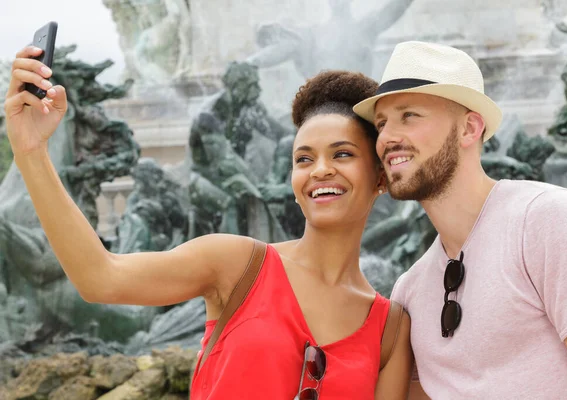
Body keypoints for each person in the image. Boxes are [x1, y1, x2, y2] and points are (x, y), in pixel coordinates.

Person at [4, 46, 413, 399]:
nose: (320, 170)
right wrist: (31, 151)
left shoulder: (390, 329)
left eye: (342, 154)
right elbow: (100, 277)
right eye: (303, 158)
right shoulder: (235, 264)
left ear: (379, 176)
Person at [353, 40, 567, 399]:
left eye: (409, 115)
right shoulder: (410, 290)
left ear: (470, 128)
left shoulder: (548, 221)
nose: (387, 138)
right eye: (381, 123)